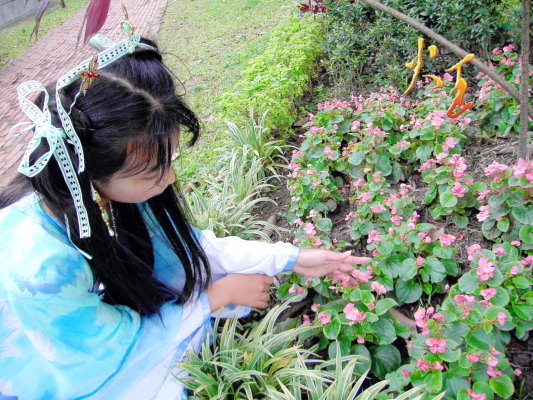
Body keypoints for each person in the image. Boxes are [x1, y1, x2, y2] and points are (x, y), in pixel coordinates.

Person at [0, 23, 370, 400]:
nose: (171, 177)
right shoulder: (40, 268)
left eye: (171, 159)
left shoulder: (99, 196)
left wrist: (292, 258)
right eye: (152, 171)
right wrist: (215, 296)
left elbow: (186, 247)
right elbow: (105, 355)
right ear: (90, 172)